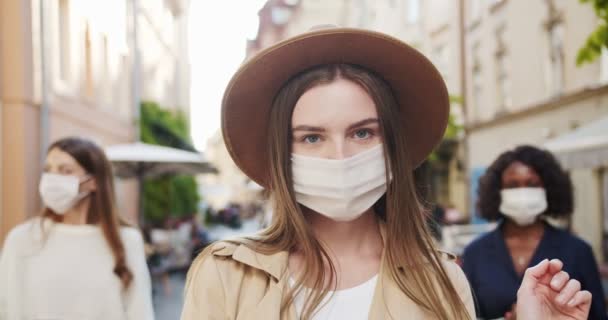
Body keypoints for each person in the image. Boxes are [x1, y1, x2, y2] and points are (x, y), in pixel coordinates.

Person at [181, 27, 592, 319]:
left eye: (362, 133)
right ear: (281, 155)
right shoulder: (225, 273)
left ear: (391, 147)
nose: (339, 156)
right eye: (311, 138)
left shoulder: (442, 279)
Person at [0, 137, 155, 319]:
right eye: (48, 170)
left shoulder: (126, 240)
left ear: (93, 181)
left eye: (65, 171)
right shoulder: (22, 239)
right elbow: (6, 307)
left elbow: (140, 311)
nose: (53, 178)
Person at [462, 145, 605, 319]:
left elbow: (598, 314)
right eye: (513, 185)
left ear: (549, 189)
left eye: (532, 184)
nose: (522, 192)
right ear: (497, 192)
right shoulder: (475, 253)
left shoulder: (578, 251)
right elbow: (464, 314)